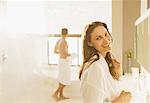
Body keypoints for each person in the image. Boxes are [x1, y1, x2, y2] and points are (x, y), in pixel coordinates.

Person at [79, 21, 132, 103]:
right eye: (98, 38)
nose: (106, 41)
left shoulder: (103, 61)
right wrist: (121, 100)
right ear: (90, 43)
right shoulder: (95, 68)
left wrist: (116, 75)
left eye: (106, 34)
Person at [52, 28, 71, 101]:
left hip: (60, 61)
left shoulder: (59, 41)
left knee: (62, 79)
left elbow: (55, 51)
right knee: (65, 80)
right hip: (64, 62)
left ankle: (61, 95)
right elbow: (65, 53)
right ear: (67, 34)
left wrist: (61, 53)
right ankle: (55, 94)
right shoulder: (64, 42)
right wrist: (71, 55)